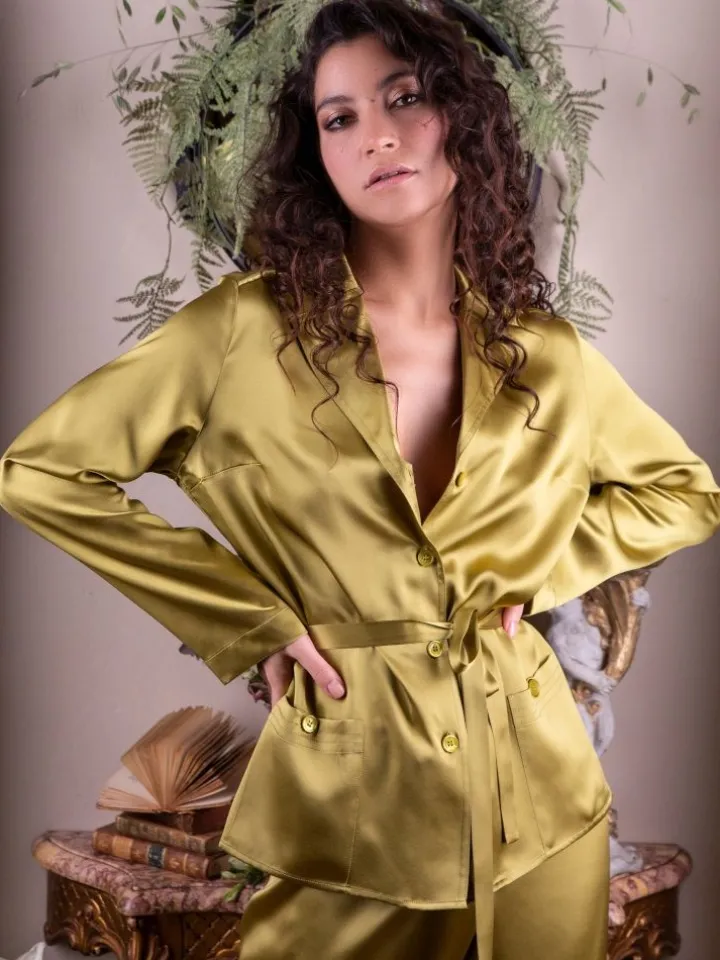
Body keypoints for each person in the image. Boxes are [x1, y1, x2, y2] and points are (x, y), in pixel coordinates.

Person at [1, 0, 718, 957]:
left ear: (462, 117)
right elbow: (41, 471)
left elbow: (685, 492)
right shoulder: (240, 332)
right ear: (318, 157)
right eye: (340, 118)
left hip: (545, 804)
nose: (376, 135)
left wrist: (540, 567)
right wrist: (247, 618)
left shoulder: (543, 351)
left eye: (405, 98)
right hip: (351, 806)